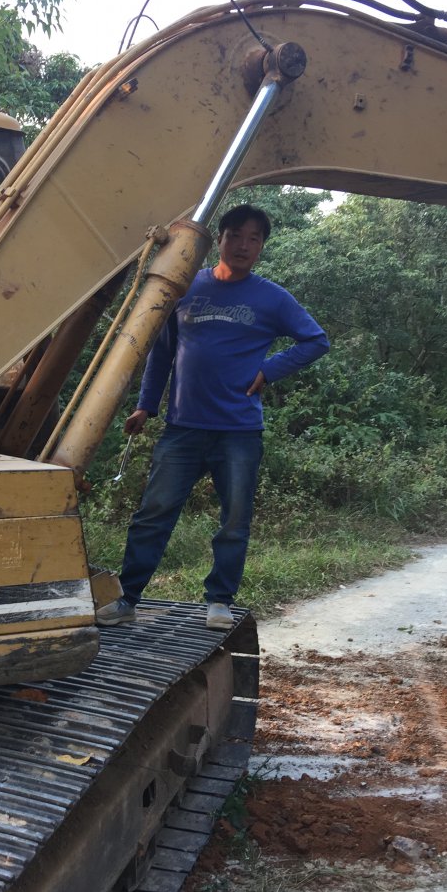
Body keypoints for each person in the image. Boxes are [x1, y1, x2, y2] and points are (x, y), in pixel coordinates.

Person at [96, 203, 329, 631]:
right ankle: (127, 598)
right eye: (235, 235)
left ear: (262, 246)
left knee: (234, 521)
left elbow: (316, 340)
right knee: (153, 514)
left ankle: (220, 600)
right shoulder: (186, 286)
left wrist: (269, 371)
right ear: (218, 239)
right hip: (182, 428)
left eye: (254, 238)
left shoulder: (272, 298)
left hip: (239, 431)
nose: (243, 245)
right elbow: (162, 351)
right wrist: (146, 405)